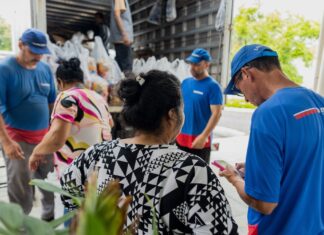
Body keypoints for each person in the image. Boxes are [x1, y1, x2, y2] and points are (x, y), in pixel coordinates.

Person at [60, 70, 238, 234]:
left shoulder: (98, 153)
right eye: (182, 109)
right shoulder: (191, 170)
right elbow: (221, 231)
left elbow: (68, 194)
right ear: (172, 115)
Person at [220, 44, 324, 234]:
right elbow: (308, 162)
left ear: (246, 73)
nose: (244, 99)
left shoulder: (268, 113)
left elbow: (264, 204)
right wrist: (258, 168)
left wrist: (234, 178)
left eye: (239, 90)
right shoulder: (318, 101)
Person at [0, 28, 56, 221]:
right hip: (17, 139)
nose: (38, 57)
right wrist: (6, 142)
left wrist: (55, 133)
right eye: (33, 52)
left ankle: (48, 220)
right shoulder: (5, 69)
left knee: (50, 180)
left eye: (41, 53)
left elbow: (52, 102)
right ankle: (20, 227)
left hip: (45, 137)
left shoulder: (45, 69)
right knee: (21, 185)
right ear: (20, 45)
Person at [29, 58, 113, 178]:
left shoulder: (67, 97)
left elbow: (56, 138)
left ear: (59, 82)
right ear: (81, 80)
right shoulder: (98, 97)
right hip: (102, 167)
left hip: (77, 172)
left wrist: (36, 152)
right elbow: (110, 124)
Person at [176, 48, 223, 163]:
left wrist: (204, 136)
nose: (192, 67)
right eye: (191, 63)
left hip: (199, 141)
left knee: (199, 177)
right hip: (180, 138)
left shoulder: (213, 86)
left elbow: (217, 113)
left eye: (197, 64)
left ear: (207, 64)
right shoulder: (185, 83)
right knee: (179, 176)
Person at [110, 0, 134, 73]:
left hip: (121, 40)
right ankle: (140, 83)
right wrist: (124, 34)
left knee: (121, 67)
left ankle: (139, 83)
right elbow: (117, 15)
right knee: (127, 68)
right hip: (122, 40)